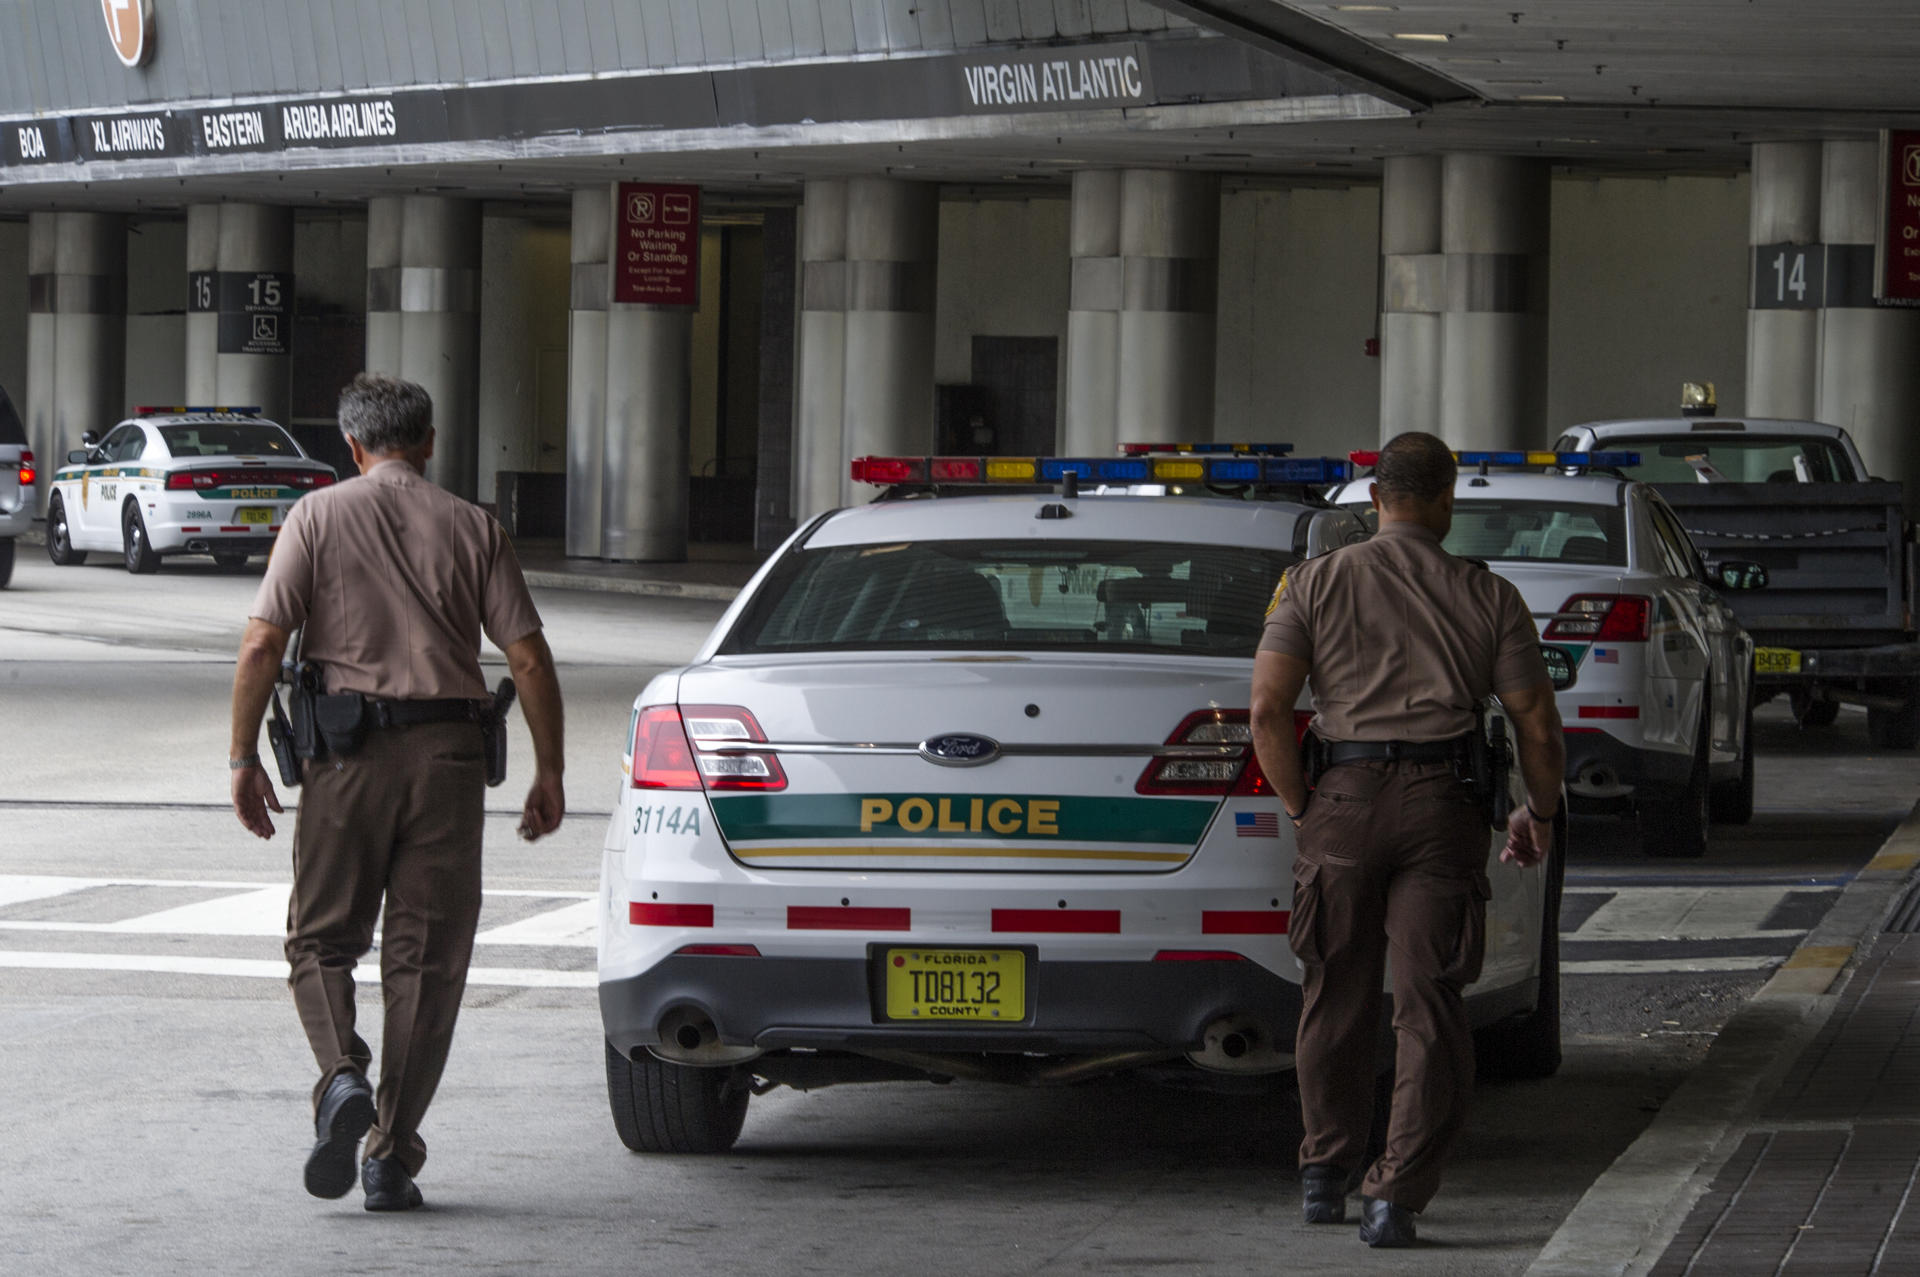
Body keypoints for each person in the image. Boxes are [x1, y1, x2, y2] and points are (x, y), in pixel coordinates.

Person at [226, 373, 566, 1212]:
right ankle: (388, 1154)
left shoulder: (317, 515)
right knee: (428, 963)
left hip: (345, 761)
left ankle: (341, 1075)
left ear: (351, 445)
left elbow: (264, 642)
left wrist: (241, 755)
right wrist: (549, 769)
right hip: (449, 762)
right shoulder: (473, 526)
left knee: (319, 941)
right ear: (431, 441)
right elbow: (526, 657)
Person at [1249, 431, 1565, 1249]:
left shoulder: (1312, 583)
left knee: (1335, 987)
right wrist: (1540, 810)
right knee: (1428, 1003)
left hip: (1341, 800)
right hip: (1441, 805)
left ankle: (1325, 1170)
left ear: (1375, 496)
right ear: (1447, 499)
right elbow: (1534, 717)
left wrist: (1300, 805)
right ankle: (1396, 1195)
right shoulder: (1489, 594)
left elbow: (1266, 708)